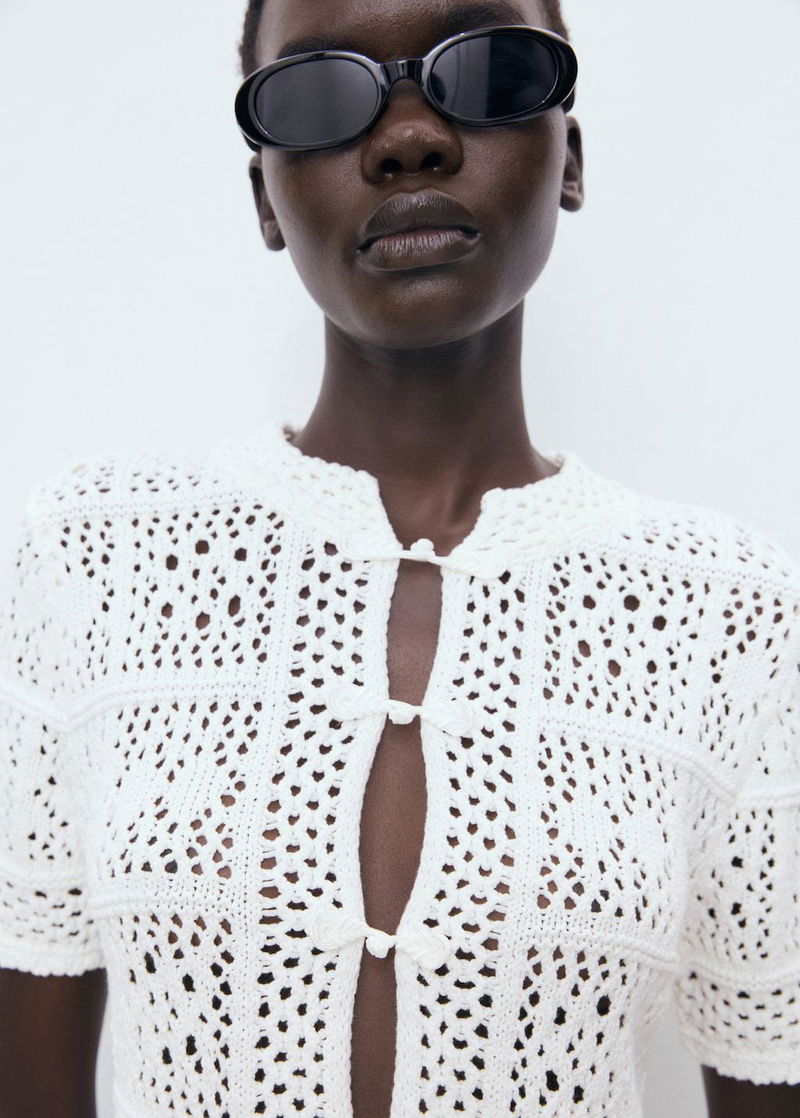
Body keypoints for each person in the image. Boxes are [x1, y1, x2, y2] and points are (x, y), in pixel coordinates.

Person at [1, 1, 799, 1116]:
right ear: (266, 199)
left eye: (491, 69)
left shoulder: (728, 614)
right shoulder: (94, 558)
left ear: (568, 159)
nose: (410, 137)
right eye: (320, 94)